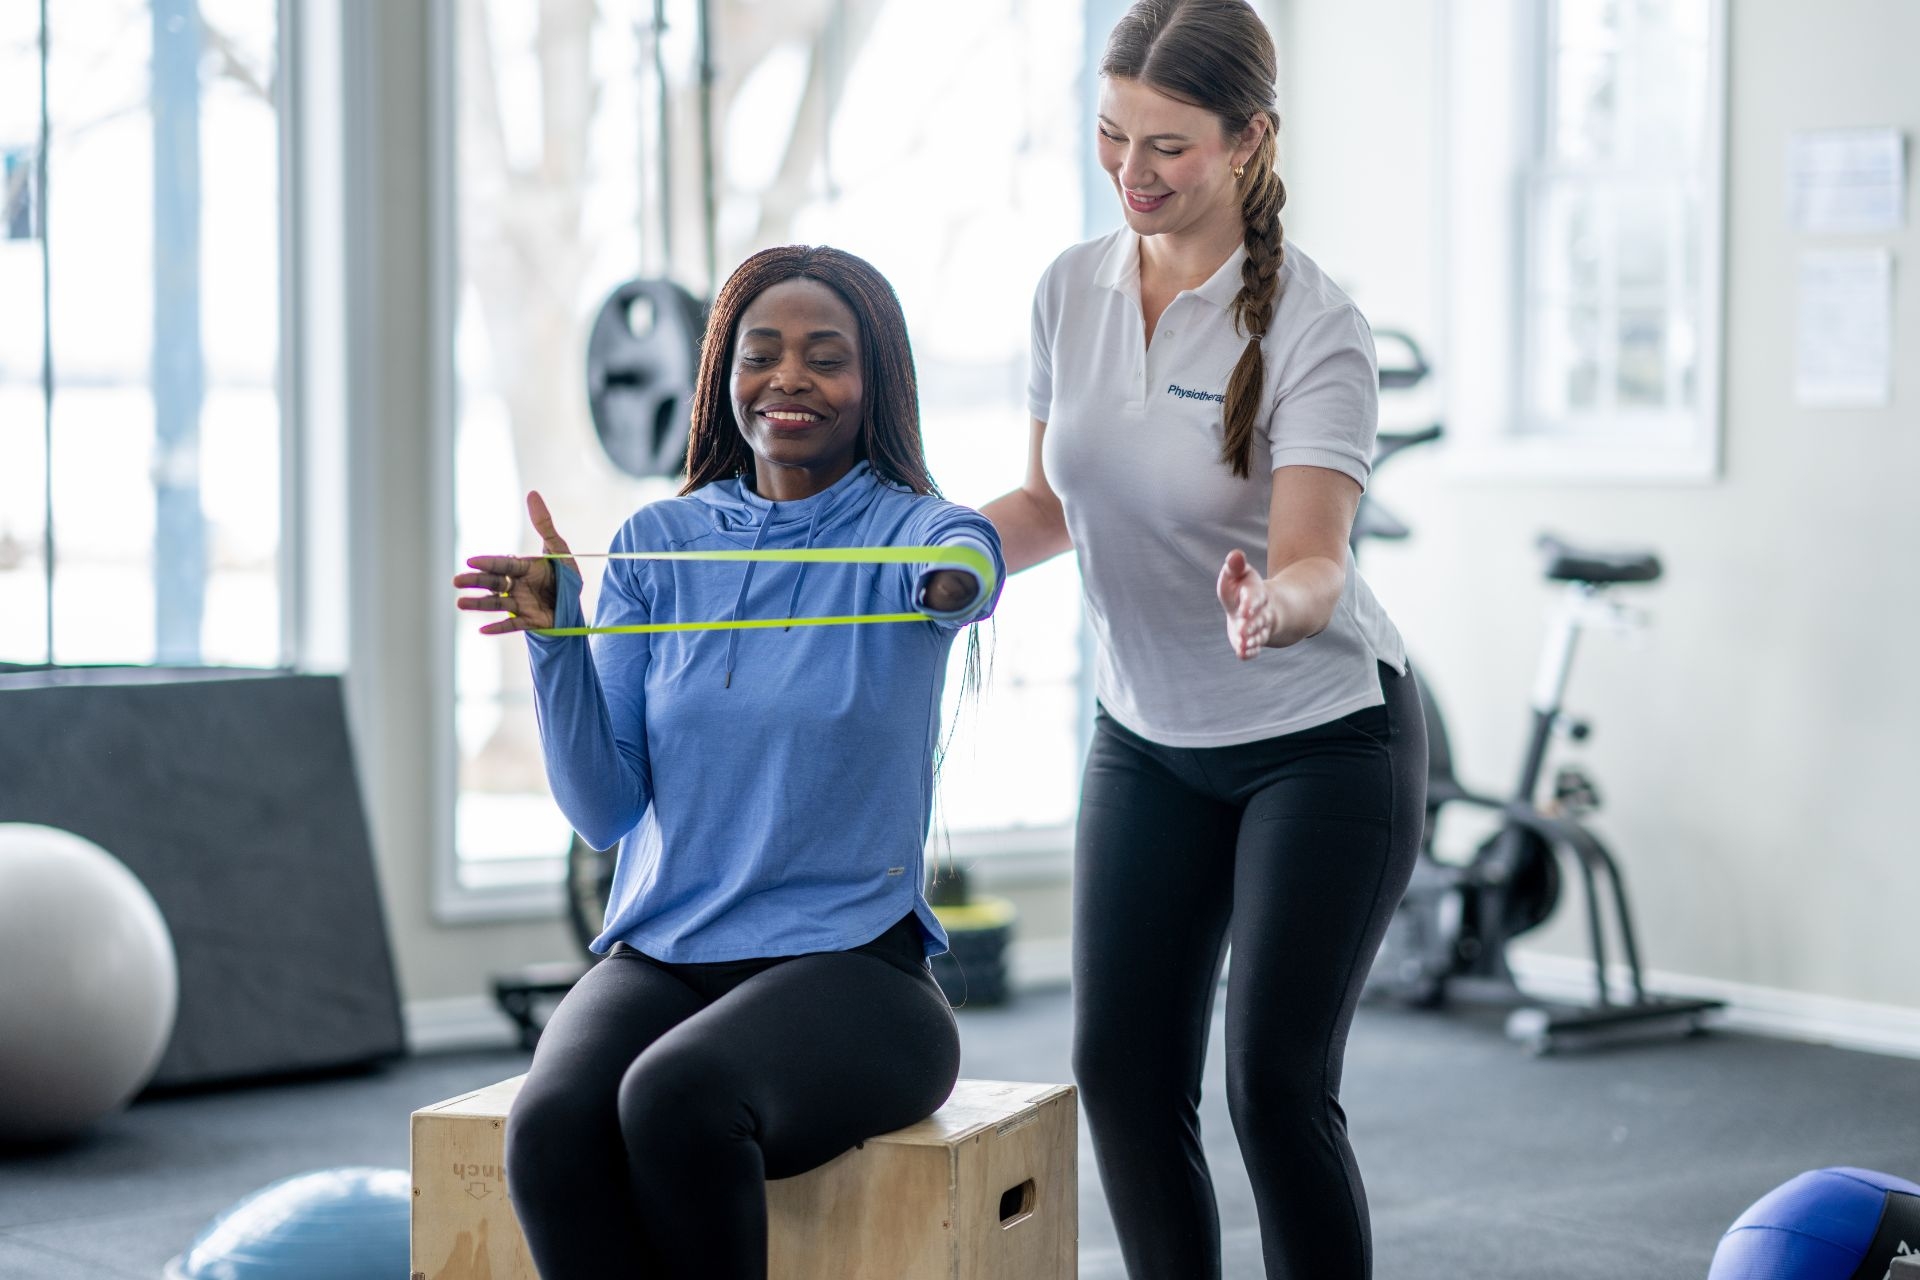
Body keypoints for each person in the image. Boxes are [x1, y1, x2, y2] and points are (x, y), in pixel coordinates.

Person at [977, 2, 1427, 1276]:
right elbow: (1047, 506)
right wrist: (934, 555)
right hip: (1148, 735)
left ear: (1248, 141)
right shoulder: (1069, 289)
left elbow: (1314, 558)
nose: (1132, 170)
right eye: (1111, 134)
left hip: (1322, 742)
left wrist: (1271, 603)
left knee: (1275, 1088)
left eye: (1168, 145)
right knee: (1121, 1072)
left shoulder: (1313, 326)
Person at [452, 244, 1004, 1280]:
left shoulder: (909, 532)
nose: (790, 378)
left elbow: (971, 557)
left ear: (875, 383)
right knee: (552, 1127)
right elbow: (605, 809)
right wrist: (556, 641)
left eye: (825, 357)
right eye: (762, 354)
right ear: (723, 375)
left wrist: (952, 580)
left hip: (859, 971)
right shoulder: (658, 543)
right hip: (664, 955)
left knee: (677, 1098)